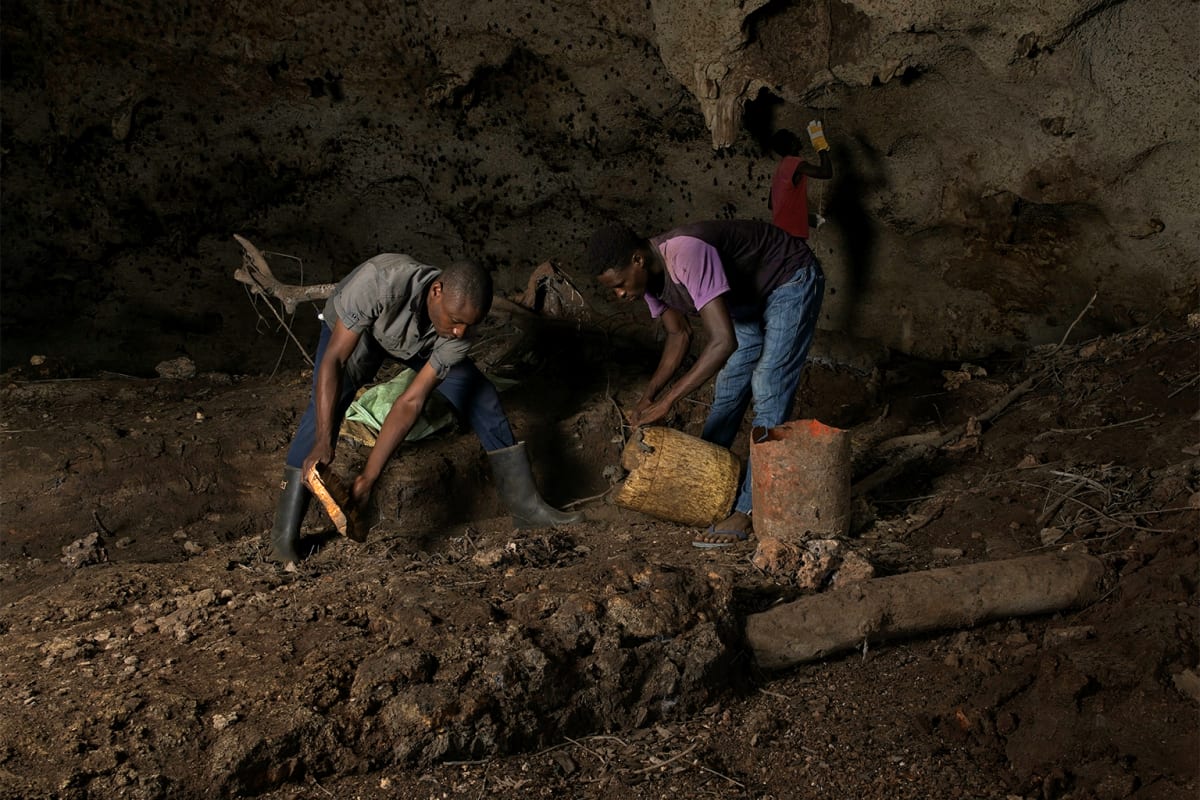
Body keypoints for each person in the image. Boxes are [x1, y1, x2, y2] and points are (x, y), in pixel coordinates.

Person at [268, 253, 582, 567]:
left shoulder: (459, 329)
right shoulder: (378, 282)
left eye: (468, 325)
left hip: (420, 341)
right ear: (436, 292)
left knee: (482, 395)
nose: (461, 332)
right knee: (323, 411)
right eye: (457, 321)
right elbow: (334, 360)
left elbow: (411, 401)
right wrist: (325, 439)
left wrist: (369, 477)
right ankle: (284, 538)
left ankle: (526, 507)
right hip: (357, 331)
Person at [587, 220, 824, 548]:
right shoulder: (649, 281)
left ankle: (749, 508)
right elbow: (678, 334)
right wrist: (649, 396)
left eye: (620, 284)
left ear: (637, 260)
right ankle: (702, 481)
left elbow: (722, 342)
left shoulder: (686, 253)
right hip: (747, 301)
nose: (620, 293)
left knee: (768, 382)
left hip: (788, 279)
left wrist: (668, 401)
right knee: (728, 385)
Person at [768, 120, 834, 239]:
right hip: (791, 234)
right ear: (792, 143)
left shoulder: (780, 169)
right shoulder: (794, 163)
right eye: (794, 137)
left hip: (781, 232)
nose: (798, 138)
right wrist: (820, 147)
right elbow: (826, 173)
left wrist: (806, 218)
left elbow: (771, 204)